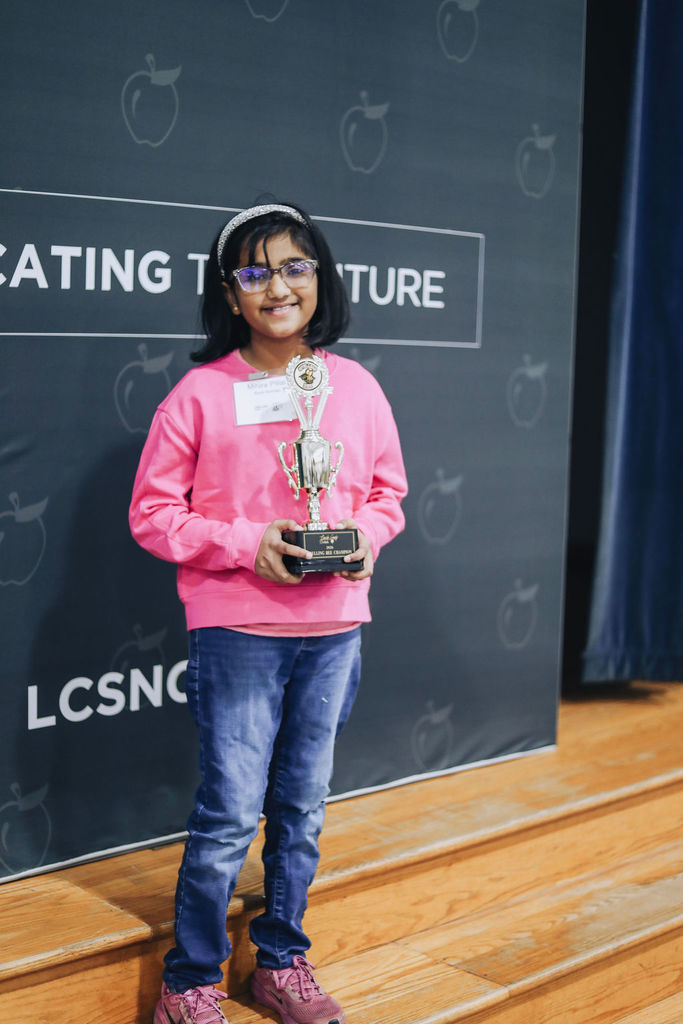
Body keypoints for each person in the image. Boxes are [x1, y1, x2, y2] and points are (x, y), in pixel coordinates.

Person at [129, 202, 407, 1024]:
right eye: (255, 273)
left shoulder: (351, 386)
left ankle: (281, 960)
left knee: (303, 807)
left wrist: (358, 534)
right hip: (239, 630)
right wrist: (247, 544)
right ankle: (191, 979)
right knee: (226, 812)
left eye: (294, 267)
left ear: (319, 278)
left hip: (334, 629)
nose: (277, 286)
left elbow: (387, 497)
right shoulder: (200, 393)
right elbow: (152, 514)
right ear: (230, 292)